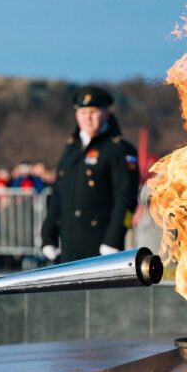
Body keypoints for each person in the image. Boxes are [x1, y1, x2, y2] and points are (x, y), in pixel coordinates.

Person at [41, 86, 139, 262]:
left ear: (105, 113)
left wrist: (114, 239)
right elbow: (57, 194)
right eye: (82, 112)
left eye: (93, 112)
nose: (87, 117)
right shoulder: (71, 149)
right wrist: (48, 234)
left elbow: (126, 198)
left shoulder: (119, 149)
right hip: (69, 245)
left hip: (102, 246)